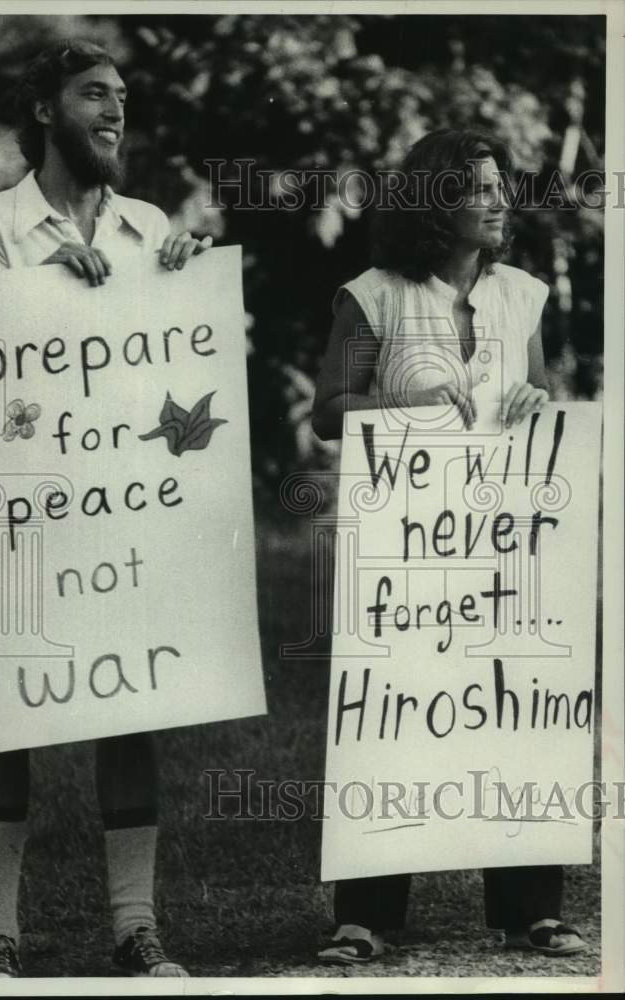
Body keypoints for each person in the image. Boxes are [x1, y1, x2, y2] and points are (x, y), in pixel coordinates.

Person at [0, 38, 213, 978]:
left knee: (129, 705)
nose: (114, 111)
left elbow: (177, 384)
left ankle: (136, 928)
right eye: (93, 94)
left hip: (125, 506)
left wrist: (183, 282)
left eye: (122, 97)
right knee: (8, 711)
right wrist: (44, 298)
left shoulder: (148, 228)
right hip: (25, 508)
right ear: (44, 111)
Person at [311, 128, 587, 965]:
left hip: (505, 542)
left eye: (501, 187)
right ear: (437, 203)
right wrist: (406, 413)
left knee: (518, 701)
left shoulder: (523, 296)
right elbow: (329, 410)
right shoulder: (374, 296)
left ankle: (530, 909)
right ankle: (365, 916)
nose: (502, 201)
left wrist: (539, 406)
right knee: (390, 713)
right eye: (480, 189)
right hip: (404, 550)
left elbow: (535, 395)